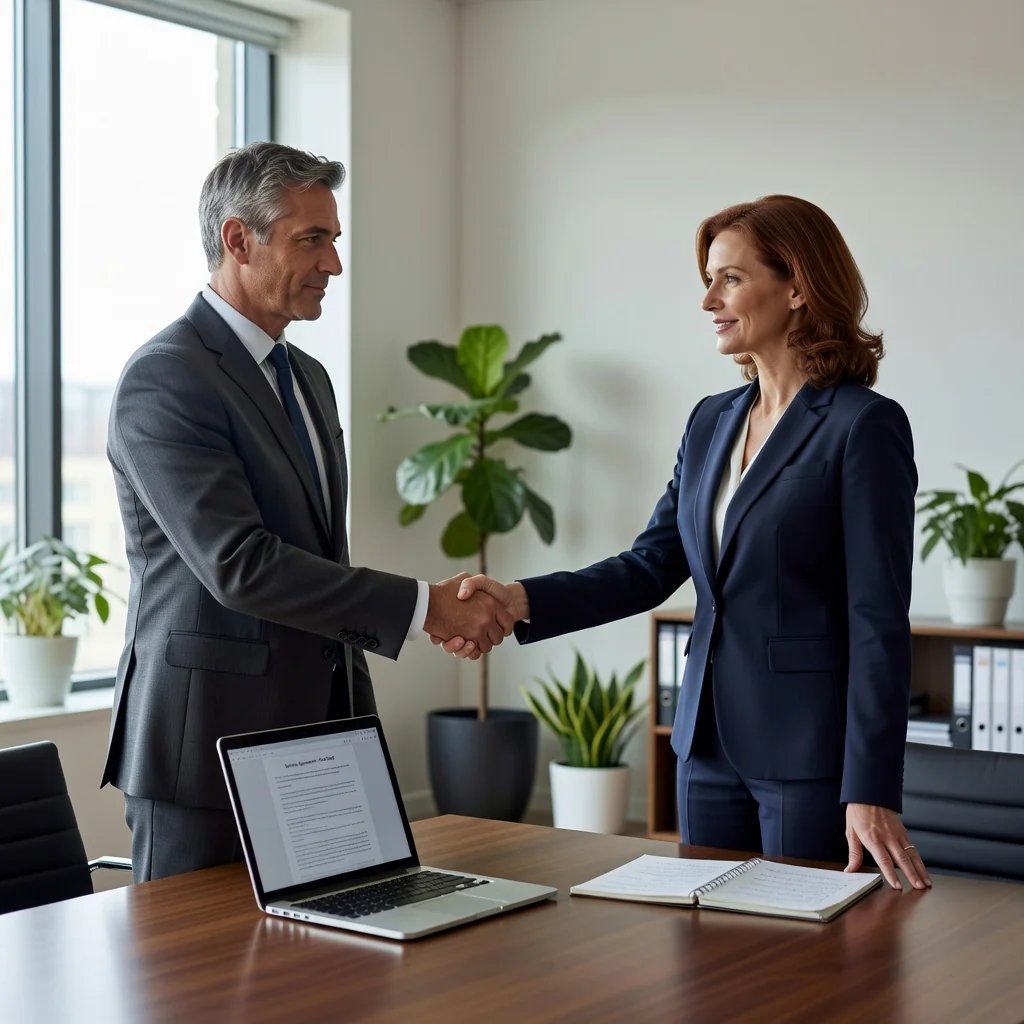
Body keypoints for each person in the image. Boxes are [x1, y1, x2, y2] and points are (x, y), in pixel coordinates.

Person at [438, 195, 932, 891]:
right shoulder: (712, 421)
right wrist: (520, 599)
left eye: (729, 278)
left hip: (808, 754)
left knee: (802, 973)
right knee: (707, 966)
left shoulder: (862, 425)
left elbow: (877, 619)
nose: (709, 301)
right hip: (703, 746)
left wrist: (871, 785)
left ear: (797, 286)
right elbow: (651, 565)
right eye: (709, 280)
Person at [102, 142, 513, 882]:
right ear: (237, 239)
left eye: (334, 240)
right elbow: (240, 564)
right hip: (204, 755)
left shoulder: (310, 379)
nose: (334, 265)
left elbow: (320, 551)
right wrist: (426, 609)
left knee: (320, 978)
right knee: (191, 992)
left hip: (321, 742)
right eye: (312, 240)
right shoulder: (165, 379)